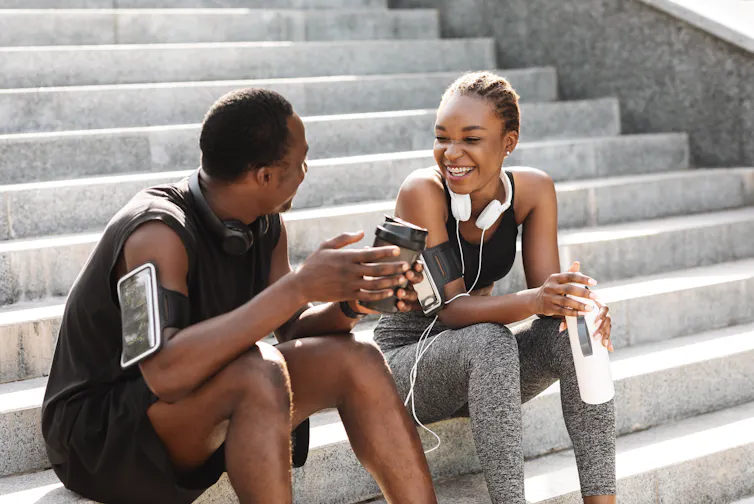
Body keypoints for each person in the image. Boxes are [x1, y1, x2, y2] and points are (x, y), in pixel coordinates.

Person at [41, 88, 438, 504]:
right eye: (300, 161)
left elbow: (292, 328)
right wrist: (298, 285)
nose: (306, 170)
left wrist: (350, 302)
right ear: (263, 176)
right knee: (257, 370)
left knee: (357, 359)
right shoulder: (155, 235)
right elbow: (163, 372)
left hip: (197, 401)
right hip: (100, 437)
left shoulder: (265, 226)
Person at [373, 71, 616, 504]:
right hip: (407, 367)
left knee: (573, 338)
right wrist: (536, 299)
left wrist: (577, 307)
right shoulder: (422, 191)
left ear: (508, 142)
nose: (452, 153)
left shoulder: (534, 190)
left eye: (470, 139)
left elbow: (547, 305)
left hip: (486, 377)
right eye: (442, 137)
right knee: (490, 340)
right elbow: (449, 311)